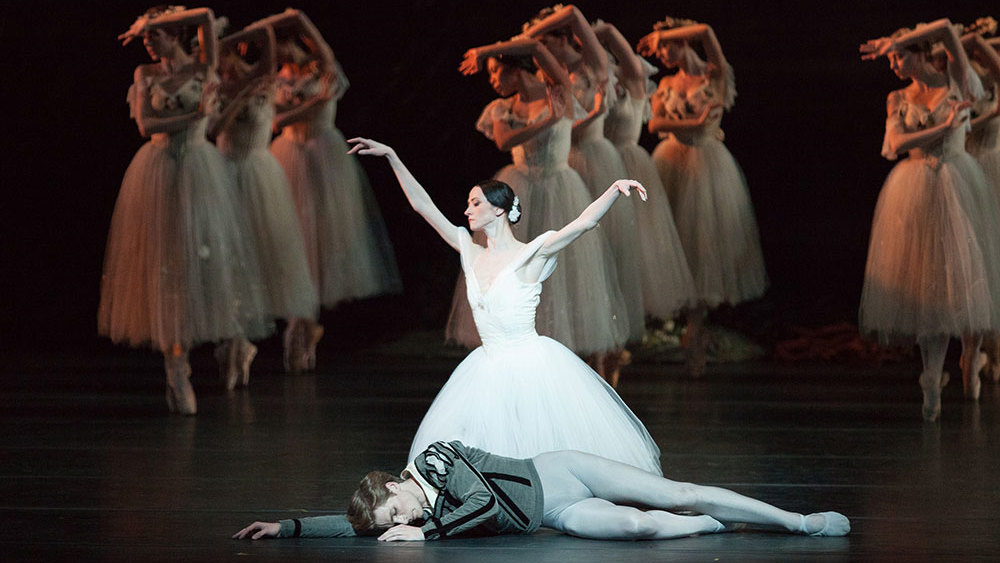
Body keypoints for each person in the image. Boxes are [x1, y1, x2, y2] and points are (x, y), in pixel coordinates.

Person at [346, 137, 662, 475]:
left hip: (531, 365)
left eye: (475, 203)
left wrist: (614, 189)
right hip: (486, 368)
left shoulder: (531, 253)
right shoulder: (470, 251)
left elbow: (581, 224)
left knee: (538, 450)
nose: (467, 210)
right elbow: (423, 206)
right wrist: (393, 155)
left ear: (498, 209)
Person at [99, 6, 270, 414]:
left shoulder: (203, 67)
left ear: (175, 34)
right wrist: (193, 115)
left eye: (155, 35)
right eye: (146, 37)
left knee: (206, 266)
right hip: (158, 172)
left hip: (198, 171)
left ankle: (224, 347)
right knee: (165, 269)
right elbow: (146, 125)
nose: (148, 41)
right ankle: (175, 368)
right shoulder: (146, 75)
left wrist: (158, 18)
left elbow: (207, 15)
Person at [448, 36, 634, 381]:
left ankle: (579, 368)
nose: (492, 81)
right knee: (520, 278)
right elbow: (506, 141)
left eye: (494, 72)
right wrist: (551, 120)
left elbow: (535, 47)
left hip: (562, 187)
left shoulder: (558, 89)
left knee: (570, 279)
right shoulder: (504, 109)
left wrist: (485, 48)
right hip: (520, 190)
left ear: (513, 69)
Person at [233, 440, 850, 541]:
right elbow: (357, 527)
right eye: (399, 518)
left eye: (401, 508)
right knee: (637, 529)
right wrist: (287, 527)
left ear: (397, 483)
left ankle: (797, 521)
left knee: (676, 490)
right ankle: (717, 526)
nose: (406, 520)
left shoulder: (437, 458)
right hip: (553, 514)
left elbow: (479, 503)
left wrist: (425, 530)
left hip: (559, 473)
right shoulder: (401, 514)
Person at [859, 19, 1000, 420]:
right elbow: (896, 144)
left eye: (899, 56)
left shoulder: (956, 81)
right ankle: (930, 381)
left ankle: (971, 358)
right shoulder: (898, 98)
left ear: (920, 53)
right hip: (915, 187)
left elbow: (945, 29)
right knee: (929, 292)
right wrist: (941, 127)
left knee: (968, 282)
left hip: (959, 185)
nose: (894, 63)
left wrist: (898, 37)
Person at [261, 9, 402, 372]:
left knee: (319, 243)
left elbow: (321, 51)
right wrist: (313, 105)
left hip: (324, 159)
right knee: (292, 241)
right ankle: (299, 320)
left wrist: (296, 18)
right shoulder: (276, 80)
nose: (282, 55)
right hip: (289, 155)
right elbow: (276, 120)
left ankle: (305, 325)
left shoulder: (323, 71)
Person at [638, 17, 768, 377]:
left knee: (704, 246)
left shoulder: (715, 75)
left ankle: (695, 330)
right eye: (661, 48)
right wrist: (695, 125)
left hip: (707, 166)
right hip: (670, 163)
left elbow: (708, 32)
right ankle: (681, 324)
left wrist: (664, 32)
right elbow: (655, 125)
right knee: (673, 243)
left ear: (683, 42)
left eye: (668, 46)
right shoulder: (666, 83)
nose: (663, 53)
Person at [522, 6, 646, 359]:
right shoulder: (553, 77)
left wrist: (528, 38)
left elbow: (575, 14)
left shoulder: (593, 69)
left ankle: (609, 350)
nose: (541, 55)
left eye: (547, 44)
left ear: (562, 40)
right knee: (572, 259)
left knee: (608, 254)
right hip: (567, 167)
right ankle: (575, 348)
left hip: (597, 162)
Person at [211, 21, 319, 380]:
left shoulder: (266, 85)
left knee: (258, 257)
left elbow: (268, 43)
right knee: (228, 261)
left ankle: (249, 339)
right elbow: (212, 129)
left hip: (258, 177)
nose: (227, 70)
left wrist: (235, 38)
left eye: (231, 63)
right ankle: (234, 339)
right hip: (223, 175)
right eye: (222, 65)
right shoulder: (217, 91)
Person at [596, 19, 697, 343]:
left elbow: (620, 51)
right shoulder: (599, 90)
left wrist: (602, 31)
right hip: (601, 167)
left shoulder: (636, 85)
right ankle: (605, 334)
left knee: (633, 252)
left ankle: (622, 337)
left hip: (629, 165)